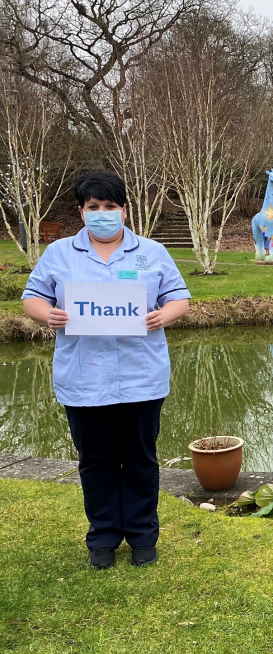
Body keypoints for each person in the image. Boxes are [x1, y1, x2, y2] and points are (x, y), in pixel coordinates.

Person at [21, 171, 191, 570]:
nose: (102, 214)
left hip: (141, 377)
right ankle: (102, 538)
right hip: (83, 380)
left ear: (124, 211)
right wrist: (51, 315)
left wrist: (161, 316)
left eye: (110, 207)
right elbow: (32, 297)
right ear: (81, 212)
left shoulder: (152, 252)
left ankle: (143, 537)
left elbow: (180, 297)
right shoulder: (59, 254)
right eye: (93, 207)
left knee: (140, 459)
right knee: (95, 460)